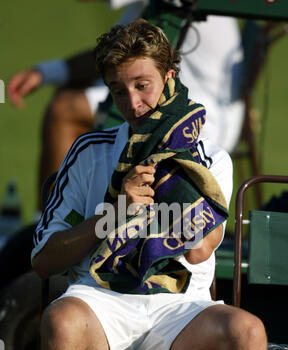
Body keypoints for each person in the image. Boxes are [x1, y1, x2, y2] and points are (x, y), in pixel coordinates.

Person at [31, 18, 267, 350]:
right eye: (119, 90)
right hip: (101, 304)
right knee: (59, 320)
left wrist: (176, 188)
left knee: (249, 333)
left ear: (169, 76)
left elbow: (198, 254)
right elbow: (43, 259)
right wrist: (114, 212)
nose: (133, 103)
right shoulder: (89, 150)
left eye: (142, 85)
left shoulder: (210, 156)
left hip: (180, 313)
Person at [7, 0, 244, 206]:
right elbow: (117, 59)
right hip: (210, 108)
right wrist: (46, 73)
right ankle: (60, 220)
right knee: (70, 94)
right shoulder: (150, 12)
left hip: (196, 114)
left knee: (64, 109)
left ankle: (47, 221)